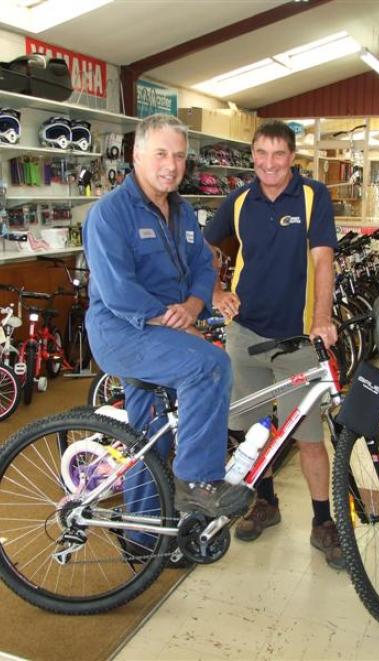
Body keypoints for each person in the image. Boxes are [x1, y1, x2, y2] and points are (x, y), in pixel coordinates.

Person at [83, 113, 253, 519]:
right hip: (123, 332)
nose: (171, 165)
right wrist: (172, 320)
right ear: (137, 154)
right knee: (210, 365)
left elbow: (203, 266)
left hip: (165, 334)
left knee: (151, 436)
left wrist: (194, 307)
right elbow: (118, 292)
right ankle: (196, 480)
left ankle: (144, 538)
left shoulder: (182, 213)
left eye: (178, 156)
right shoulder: (109, 214)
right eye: (161, 153)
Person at [204, 119, 344, 569]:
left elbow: (324, 261)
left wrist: (322, 319)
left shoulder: (312, 196)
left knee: (307, 437)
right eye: (261, 154)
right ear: (253, 157)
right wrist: (214, 293)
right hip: (244, 333)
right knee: (249, 429)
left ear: (292, 158)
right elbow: (206, 248)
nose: (269, 163)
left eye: (278, 154)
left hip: (296, 337)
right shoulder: (240, 199)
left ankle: (323, 521)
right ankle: (265, 501)